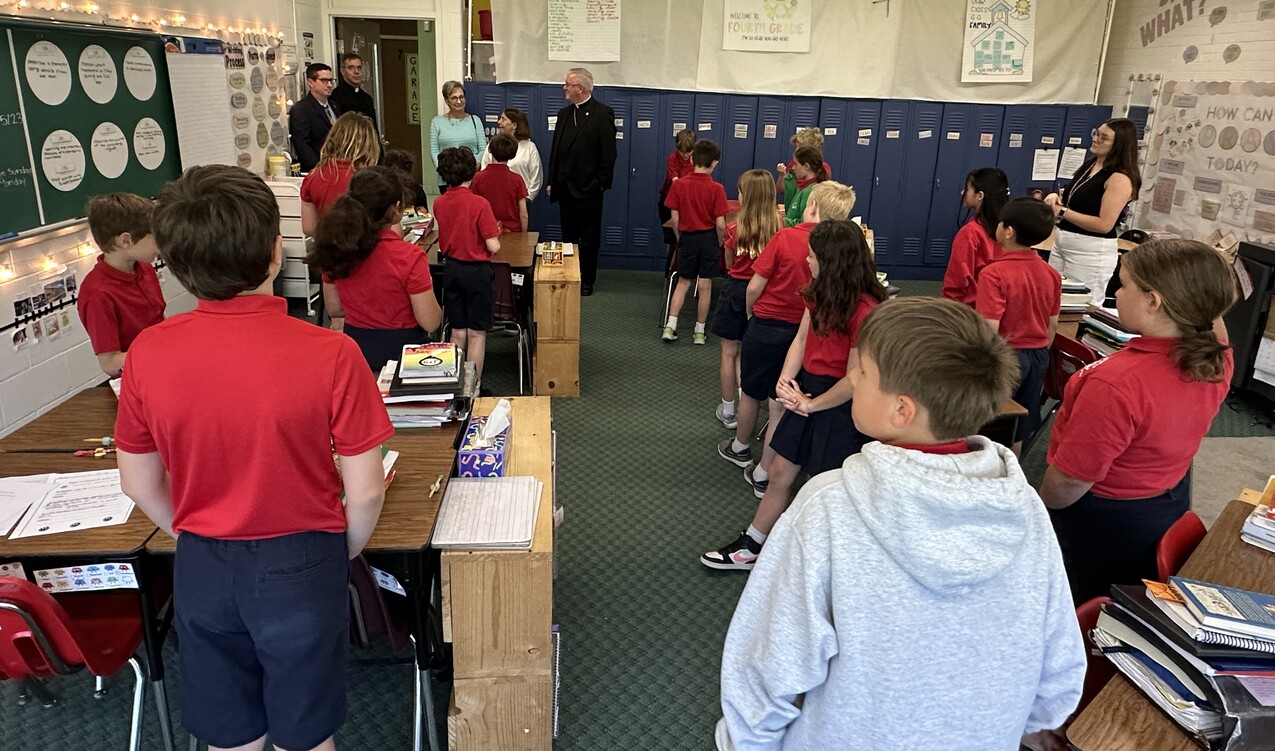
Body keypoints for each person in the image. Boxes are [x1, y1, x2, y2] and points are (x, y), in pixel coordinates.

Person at [715, 296, 1084, 750]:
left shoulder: (830, 505)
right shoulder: (1025, 507)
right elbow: (1057, 674)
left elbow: (768, 664)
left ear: (901, 411)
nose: (853, 378)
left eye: (863, 373)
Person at [115, 165, 393, 751]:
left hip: (203, 564)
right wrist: (339, 546)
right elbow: (365, 490)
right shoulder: (332, 353)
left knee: (231, 735)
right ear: (275, 253)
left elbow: (139, 484)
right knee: (306, 736)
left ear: (176, 266)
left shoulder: (147, 351)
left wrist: (195, 530)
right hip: (302, 557)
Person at [1041, 239, 1235, 604]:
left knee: (1083, 605)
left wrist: (1042, 505)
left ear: (1153, 300)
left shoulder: (1115, 384)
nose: (1116, 291)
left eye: (1124, 283)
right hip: (1165, 503)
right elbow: (1215, 323)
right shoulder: (1217, 359)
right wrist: (1205, 273)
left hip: (1101, 520)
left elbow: (1069, 481)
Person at [702, 220, 885, 571]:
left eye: (813, 257)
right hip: (809, 391)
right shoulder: (817, 290)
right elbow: (801, 340)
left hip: (838, 405)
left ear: (833, 262)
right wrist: (785, 382)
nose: (808, 262)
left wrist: (812, 404)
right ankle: (752, 545)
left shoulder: (865, 311)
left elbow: (856, 376)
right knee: (781, 471)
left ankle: (819, 561)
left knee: (823, 485)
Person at [717, 182, 858, 500]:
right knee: (780, 402)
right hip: (806, 335)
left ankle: (741, 446)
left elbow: (754, 287)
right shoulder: (844, 249)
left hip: (769, 327)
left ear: (812, 207)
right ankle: (764, 473)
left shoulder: (786, 237)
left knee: (752, 392)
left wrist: (753, 316)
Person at [307, 166, 442, 371]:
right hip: (405, 355)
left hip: (357, 349)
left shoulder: (336, 248)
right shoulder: (409, 256)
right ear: (396, 209)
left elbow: (334, 308)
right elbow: (430, 322)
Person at [976, 198, 1061, 454]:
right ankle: (1013, 467)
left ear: (1009, 231)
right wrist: (1042, 353)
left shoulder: (993, 274)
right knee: (1021, 417)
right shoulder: (1051, 274)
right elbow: (1052, 324)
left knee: (991, 415)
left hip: (1005, 356)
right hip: (1037, 354)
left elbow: (989, 328)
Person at [711, 169, 782, 430]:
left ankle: (728, 410)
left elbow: (728, 265)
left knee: (728, 352)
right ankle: (745, 407)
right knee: (748, 353)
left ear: (746, 196)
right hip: (765, 294)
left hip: (736, 291)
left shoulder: (734, 228)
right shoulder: (779, 229)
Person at [1044, 118, 1142, 306]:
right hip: (1063, 242)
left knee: (1078, 305)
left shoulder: (1119, 178)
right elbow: (1080, 202)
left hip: (1090, 251)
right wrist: (1058, 199)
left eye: (1104, 138)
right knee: (1050, 299)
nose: (1096, 139)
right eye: (1096, 133)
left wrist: (1062, 212)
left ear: (1118, 145)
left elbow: (1104, 224)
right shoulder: (1090, 165)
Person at [77, 193, 165, 378]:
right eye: (155, 237)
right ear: (125, 241)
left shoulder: (145, 268)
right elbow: (109, 363)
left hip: (162, 365)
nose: (161, 245)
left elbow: (158, 320)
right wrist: (162, 351)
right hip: (139, 377)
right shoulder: (97, 294)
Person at [433, 147, 501, 382]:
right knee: (477, 333)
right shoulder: (480, 204)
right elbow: (493, 246)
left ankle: (453, 383)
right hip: (477, 273)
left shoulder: (439, 203)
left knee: (457, 331)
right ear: (473, 171)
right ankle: (472, 388)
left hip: (451, 270)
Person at [547, 67, 617, 296]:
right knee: (568, 236)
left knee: (588, 238)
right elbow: (555, 151)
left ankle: (587, 280)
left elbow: (609, 154)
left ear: (581, 88)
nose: (564, 88)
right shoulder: (564, 113)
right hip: (565, 188)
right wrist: (552, 181)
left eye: (568, 84)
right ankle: (569, 274)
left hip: (589, 190)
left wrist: (599, 183)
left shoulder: (602, 113)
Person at [661, 139, 728, 345]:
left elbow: (675, 219)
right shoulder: (717, 189)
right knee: (705, 286)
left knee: (683, 283)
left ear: (692, 158)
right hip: (708, 239)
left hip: (687, 238)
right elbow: (720, 224)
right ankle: (699, 332)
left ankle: (670, 326)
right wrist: (718, 242)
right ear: (714, 163)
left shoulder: (679, 185)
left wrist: (682, 238)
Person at [300, 112, 381, 236]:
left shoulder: (313, 177)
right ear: (368, 144)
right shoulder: (368, 180)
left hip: (327, 250)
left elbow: (309, 228)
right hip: (364, 250)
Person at [941, 166, 1010, 305]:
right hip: (1000, 307)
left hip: (971, 312)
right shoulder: (1009, 231)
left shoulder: (970, 233)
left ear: (980, 195)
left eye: (967, 189)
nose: (963, 193)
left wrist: (945, 311)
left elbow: (956, 282)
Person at [429, 81, 486, 195]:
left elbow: (483, 147)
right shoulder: (437, 122)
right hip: (446, 180)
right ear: (446, 101)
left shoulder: (475, 120)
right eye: (454, 98)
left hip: (471, 178)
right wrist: (443, 171)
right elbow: (434, 150)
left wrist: (475, 165)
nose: (459, 101)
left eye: (461, 97)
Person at [480, 108, 543, 202]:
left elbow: (536, 177)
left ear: (514, 125)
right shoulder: (493, 144)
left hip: (520, 200)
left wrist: (527, 198)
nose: (499, 122)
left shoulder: (529, 147)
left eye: (503, 119)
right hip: (494, 199)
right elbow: (484, 168)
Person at [471, 133, 529, 233]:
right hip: (513, 232)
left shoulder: (477, 178)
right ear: (512, 154)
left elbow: (473, 208)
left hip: (486, 231)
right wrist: (523, 235)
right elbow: (523, 213)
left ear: (489, 149)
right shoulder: (517, 179)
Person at [289, 63, 341, 173]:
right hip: (318, 169)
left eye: (331, 80)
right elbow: (302, 145)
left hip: (339, 165)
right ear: (310, 82)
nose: (329, 85)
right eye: (324, 81)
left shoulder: (335, 106)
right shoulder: (301, 109)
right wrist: (319, 169)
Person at [658, 129, 697, 270]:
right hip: (668, 202)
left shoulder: (696, 160)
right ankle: (671, 268)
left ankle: (685, 267)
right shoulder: (672, 158)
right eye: (682, 152)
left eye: (689, 152)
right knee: (670, 238)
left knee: (687, 237)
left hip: (689, 204)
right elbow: (676, 182)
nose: (685, 155)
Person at [774, 127, 832, 197]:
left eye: (799, 147)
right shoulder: (793, 165)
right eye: (796, 147)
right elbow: (781, 189)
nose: (796, 150)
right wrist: (782, 176)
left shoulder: (823, 168)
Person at [780, 146, 827, 227]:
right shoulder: (803, 187)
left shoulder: (811, 191)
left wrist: (777, 220)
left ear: (806, 166)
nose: (793, 168)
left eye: (795, 164)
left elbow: (803, 224)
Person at [330, 53, 377, 127]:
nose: (356, 72)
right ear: (342, 71)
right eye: (351, 68)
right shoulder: (336, 96)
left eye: (359, 68)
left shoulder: (367, 98)